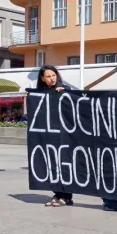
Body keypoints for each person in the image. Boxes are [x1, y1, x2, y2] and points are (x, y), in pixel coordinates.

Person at [35, 65, 74, 207]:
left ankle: (67, 196)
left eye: (53, 75)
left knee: (64, 164)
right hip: (48, 135)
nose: (51, 79)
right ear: (42, 79)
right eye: (48, 76)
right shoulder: (40, 93)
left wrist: (64, 94)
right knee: (51, 164)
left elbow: (74, 106)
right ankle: (57, 193)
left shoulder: (65, 89)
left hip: (64, 135)